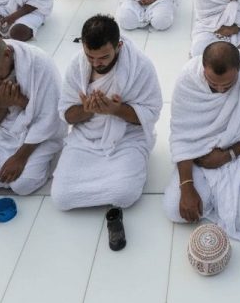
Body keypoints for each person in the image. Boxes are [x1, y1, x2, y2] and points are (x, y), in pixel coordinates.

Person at [163, 41, 240, 240]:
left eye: (227, 85)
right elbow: (181, 134)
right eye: (213, 83)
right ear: (202, 67)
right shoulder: (188, 79)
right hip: (199, 154)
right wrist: (186, 185)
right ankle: (218, 199)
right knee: (174, 210)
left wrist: (228, 155)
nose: (219, 90)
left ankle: (221, 199)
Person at [51, 15, 162, 211]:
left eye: (103, 57)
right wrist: (87, 110)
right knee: (61, 198)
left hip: (126, 139)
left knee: (124, 194)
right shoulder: (76, 66)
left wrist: (115, 110)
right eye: (90, 56)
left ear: (118, 46)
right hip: (85, 139)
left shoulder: (141, 67)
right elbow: (67, 115)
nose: (96, 63)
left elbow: (150, 114)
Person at [0, 35, 66, 196]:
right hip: (1, 134)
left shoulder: (38, 63)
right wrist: (0, 105)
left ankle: (47, 163)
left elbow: (50, 116)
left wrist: (20, 157)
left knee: (23, 186)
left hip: (38, 135)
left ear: (7, 54)